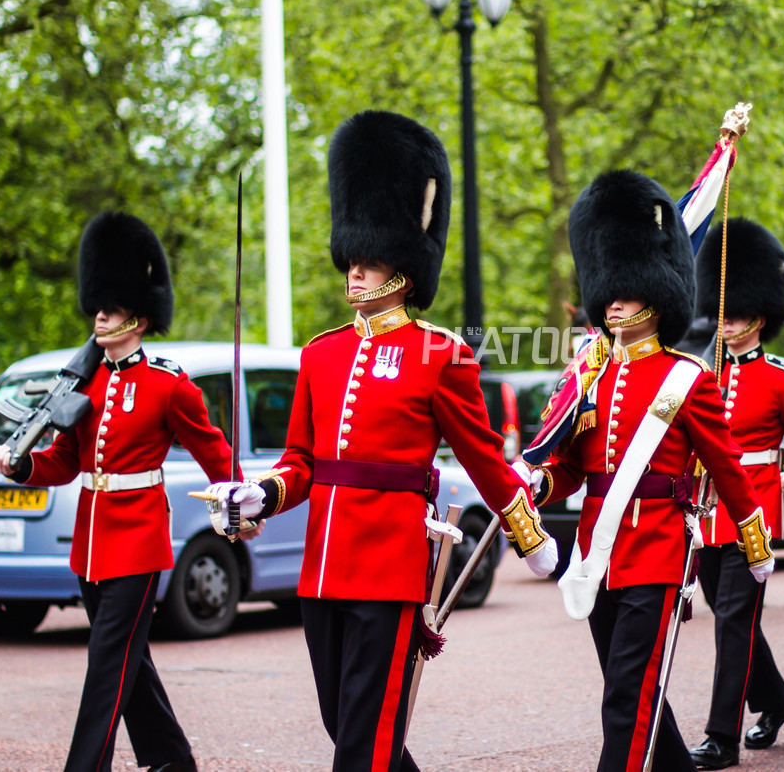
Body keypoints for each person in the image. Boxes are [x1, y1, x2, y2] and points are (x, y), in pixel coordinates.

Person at [205, 110, 557, 772]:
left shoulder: (440, 355)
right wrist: (259, 493)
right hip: (322, 571)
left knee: (364, 743)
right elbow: (302, 463)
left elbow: (483, 455)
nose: (355, 273)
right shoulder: (321, 354)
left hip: (390, 570)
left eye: (369, 261)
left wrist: (526, 532)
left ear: (401, 264)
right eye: (353, 260)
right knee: (353, 729)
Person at [527, 170, 772, 772]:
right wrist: (539, 483)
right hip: (597, 549)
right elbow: (573, 470)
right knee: (634, 691)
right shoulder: (587, 371)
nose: (614, 300)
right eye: (608, 289)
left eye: (628, 291)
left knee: (626, 701)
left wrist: (754, 537)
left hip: (658, 548)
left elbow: (728, 467)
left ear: (656, 295)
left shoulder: (686, 377)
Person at [0, 211, 228, 772]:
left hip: (139, 544)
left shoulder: (170, 384)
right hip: (91, 543)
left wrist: (239, 500)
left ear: (138, 318)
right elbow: (66, 462)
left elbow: (213, 450)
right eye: (98, 304)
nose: (99, 314)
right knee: (129, 661)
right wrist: (19, 468)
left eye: (112, 307)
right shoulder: (84, 381)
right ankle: (173, 759)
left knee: (105, 665)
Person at [686, 218, 784, 770]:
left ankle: (721, 737)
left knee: (732, 621)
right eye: (722, 313)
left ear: (759, 318)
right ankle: (776, 701)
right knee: (733, 617)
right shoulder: (700, 373)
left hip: (755, 513)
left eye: (737, 315)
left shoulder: (783, 381)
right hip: (707, 511)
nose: (727, 323)